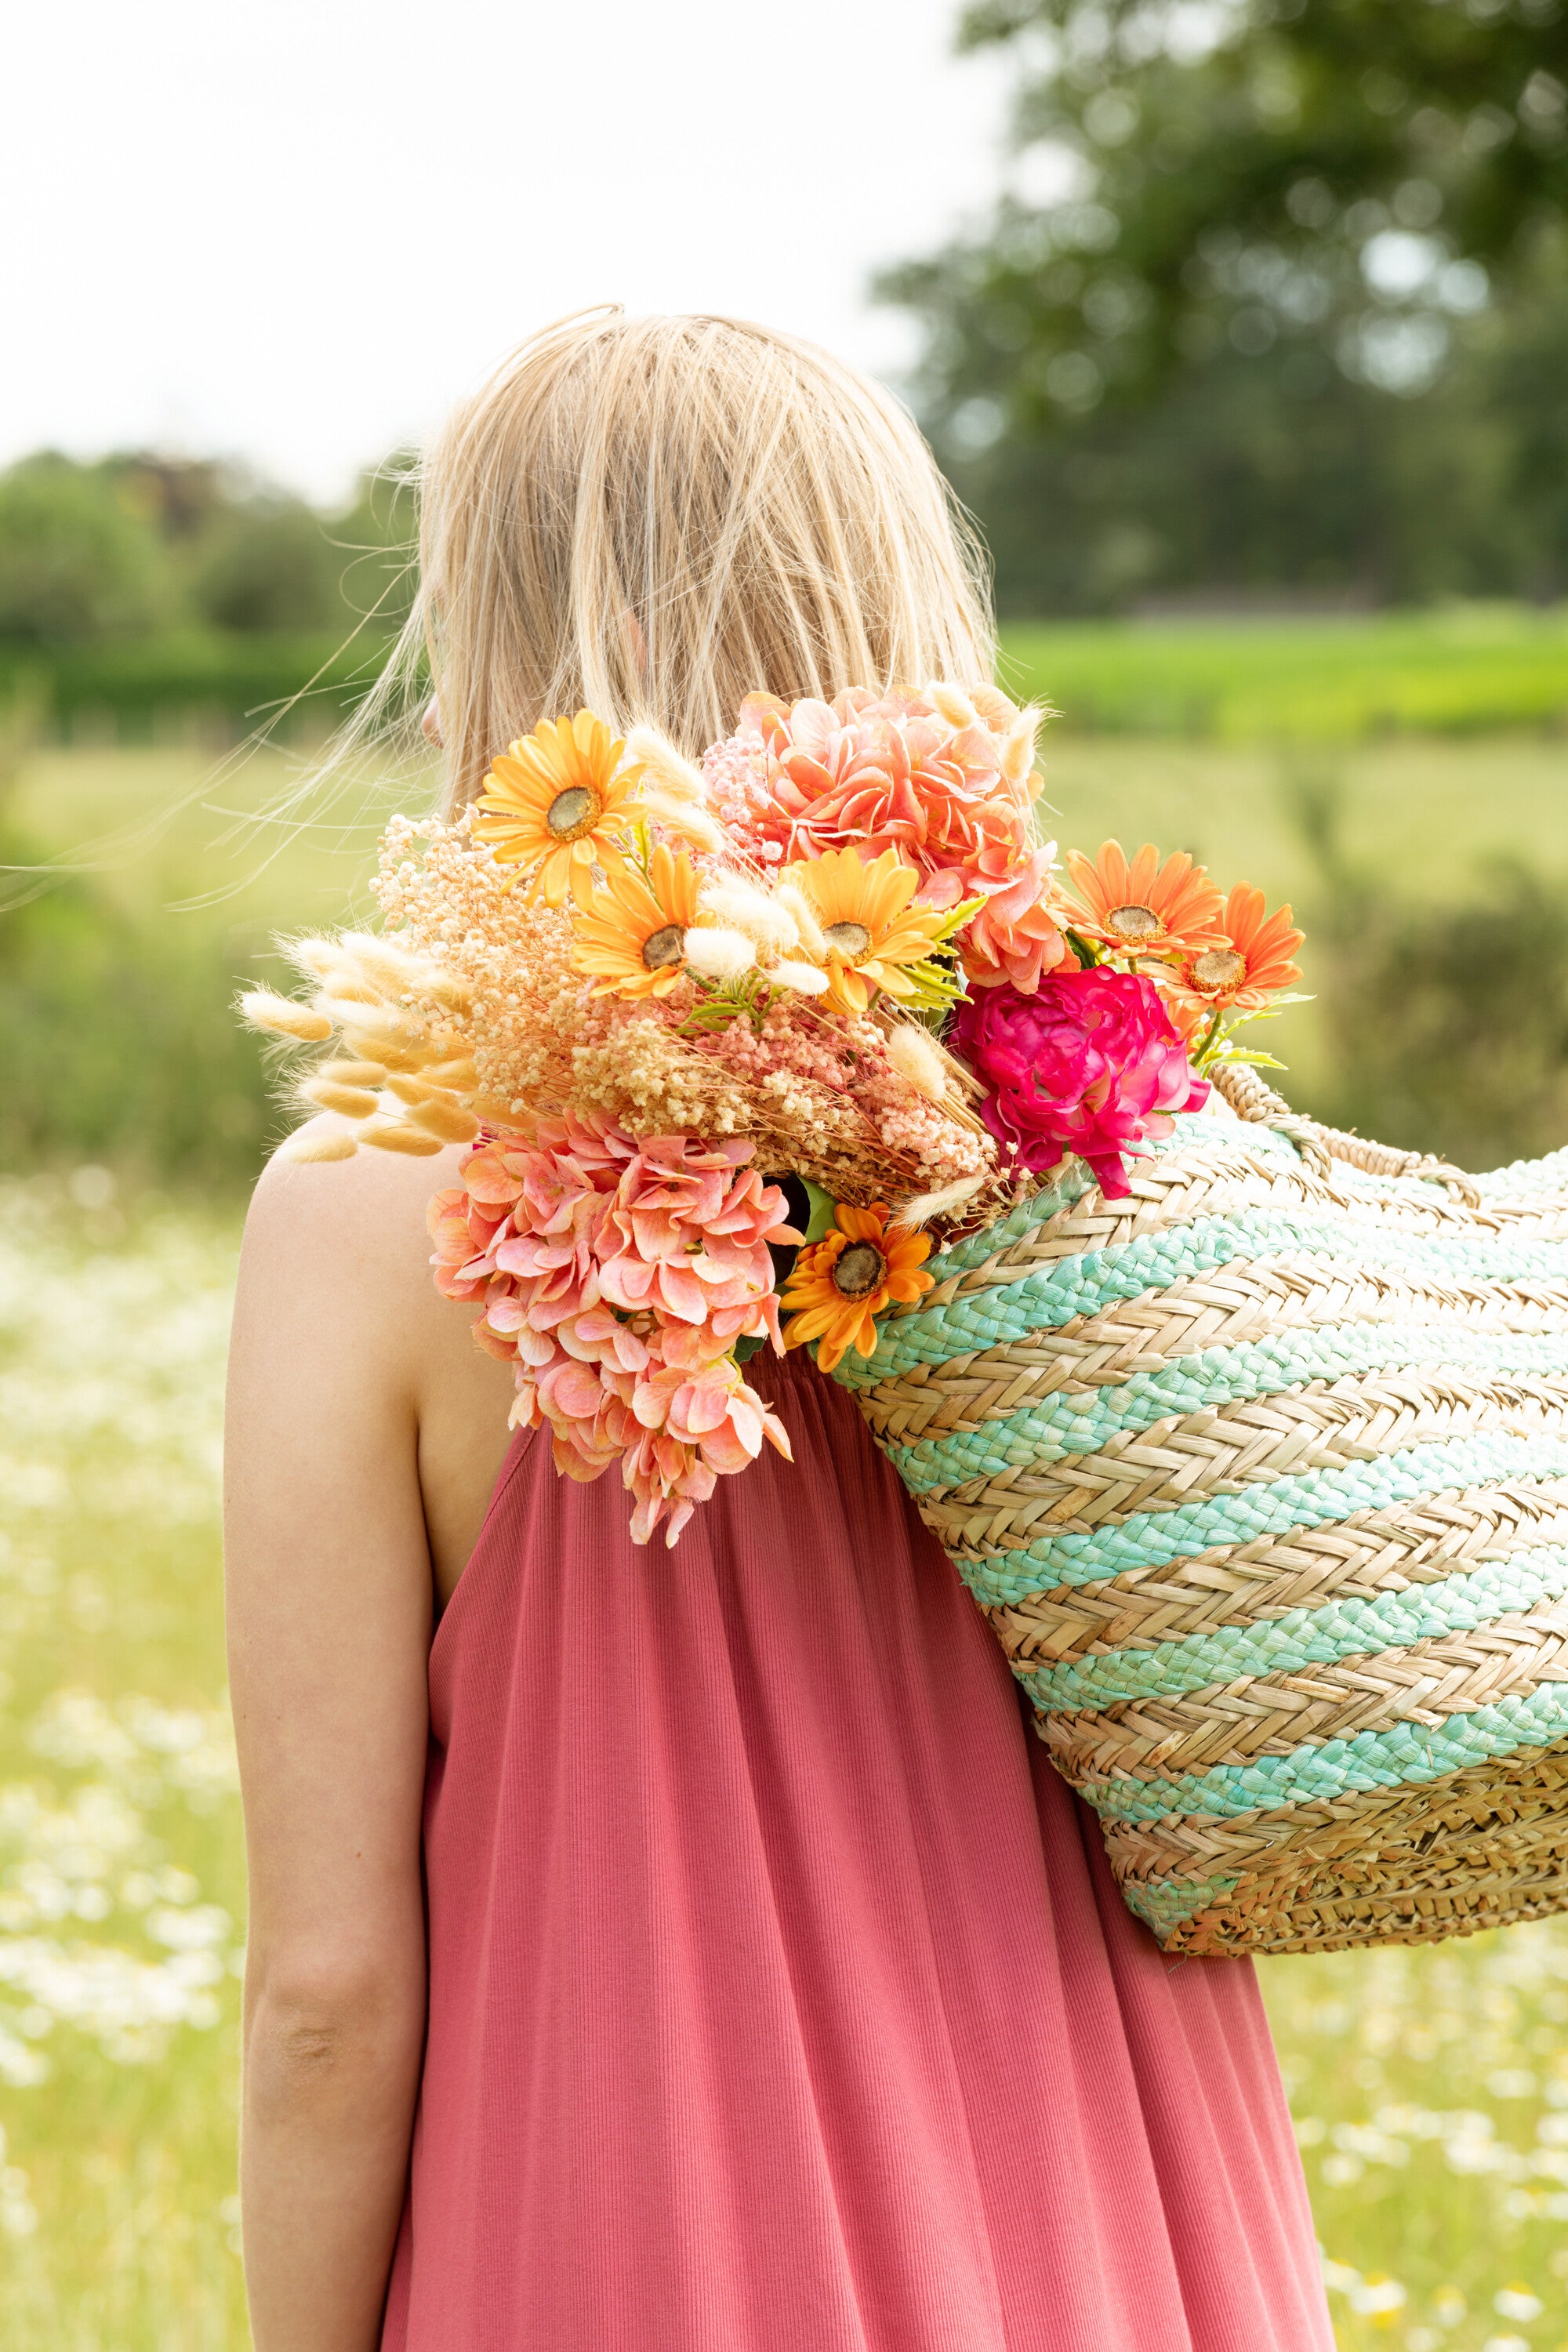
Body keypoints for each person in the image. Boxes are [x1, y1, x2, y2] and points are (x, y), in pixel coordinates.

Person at [225, 309, 1334, 2352]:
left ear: (525, 652)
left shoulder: (368, 1209)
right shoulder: (1111, 1132)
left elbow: (327, 1999)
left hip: (616, 2263)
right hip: (1119, 2253)